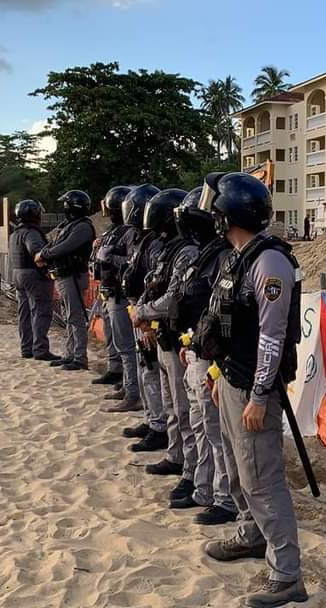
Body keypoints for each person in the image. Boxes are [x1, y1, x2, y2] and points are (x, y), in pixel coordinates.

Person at [195, 173, 307, 607]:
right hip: (231, 379)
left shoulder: (269, 264)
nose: (213, 218)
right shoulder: (236, 257)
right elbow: (227, 324)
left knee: (263, 481)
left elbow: (272, 337)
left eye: (218, 212)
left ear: (232, 215)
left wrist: (260, 397)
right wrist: (218, 378)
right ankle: (251, 535)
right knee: (240, 472)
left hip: (253, 389)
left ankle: (287, 576)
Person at [168, 181, 238, 525]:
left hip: (213, 358)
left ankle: (225, 498)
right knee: (200, 425)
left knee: (214, 431)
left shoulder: (223, 257)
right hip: (197, 349)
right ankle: (205, 487)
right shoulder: (208, 254)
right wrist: (190, 343)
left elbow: (223, 315)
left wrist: (208, 357)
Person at [132, 189, 201, 500]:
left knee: (184, 410)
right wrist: (144, 314)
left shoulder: (187, 252)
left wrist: (143, 313)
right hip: (161, 335)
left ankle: (190, 469)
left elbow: (173, 298)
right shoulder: (167, 250)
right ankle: (176, 456)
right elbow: (152, 285)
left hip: (177, 339)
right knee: (172, 406)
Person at [118, 184, 169, 452]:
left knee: (152, 372)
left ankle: (159, 426)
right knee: (145, 370)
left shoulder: (156, 244)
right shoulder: (141, 240)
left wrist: (148, 321)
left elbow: (156, 285)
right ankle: (151, 419)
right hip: (139, 312)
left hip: (149, 318)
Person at [36, 191, 95, 371]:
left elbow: (65, 247)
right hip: (63, 275)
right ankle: (70, 354)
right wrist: (44, 253)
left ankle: (79, 357)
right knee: (68, 316)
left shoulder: (83, 227)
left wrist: (44, 254)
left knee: (75, 316)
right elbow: (53, 242)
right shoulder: (68, 225)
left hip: (73, 276)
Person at [92, 186, 138, 403]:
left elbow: (133, 263)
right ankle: (125, 383)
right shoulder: (112, 231)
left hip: (120, 294)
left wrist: (110, 257)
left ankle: (132, 392)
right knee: (118, 344)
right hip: (109, 292)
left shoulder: (130, 232)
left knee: (127, 346)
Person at [10, 200, 58, 361]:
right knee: (40, 311)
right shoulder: (31, 233)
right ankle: (40, 349)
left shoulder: (16, 233)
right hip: (33, 275)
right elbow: (37, 252)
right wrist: (47, 268)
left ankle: (27, 348)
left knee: (24, 313)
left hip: (18, 274)